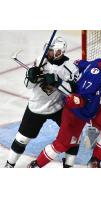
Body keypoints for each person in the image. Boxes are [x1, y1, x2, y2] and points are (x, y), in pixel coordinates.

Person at [28, 50, 101, 168]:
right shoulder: (97, 79)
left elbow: (79, 64)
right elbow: (77, 98)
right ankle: (35, 165)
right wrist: (64, 87)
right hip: (76, 114)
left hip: (92, 110)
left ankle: (94, 162)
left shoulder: (99, 62)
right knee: (61, 145)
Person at [5, 36, 79, 168]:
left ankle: (68, 166)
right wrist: (31, 77)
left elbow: (74, 93)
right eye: (47, 49)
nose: (47, 52)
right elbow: (28, 86)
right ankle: (9, 165)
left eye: (51, 50)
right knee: (22, 139)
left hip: (59, 107)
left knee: (73, 137)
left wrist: (58, 82)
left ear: (59, 51)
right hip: (37, 107)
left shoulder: (70, 68)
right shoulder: (41, 60)